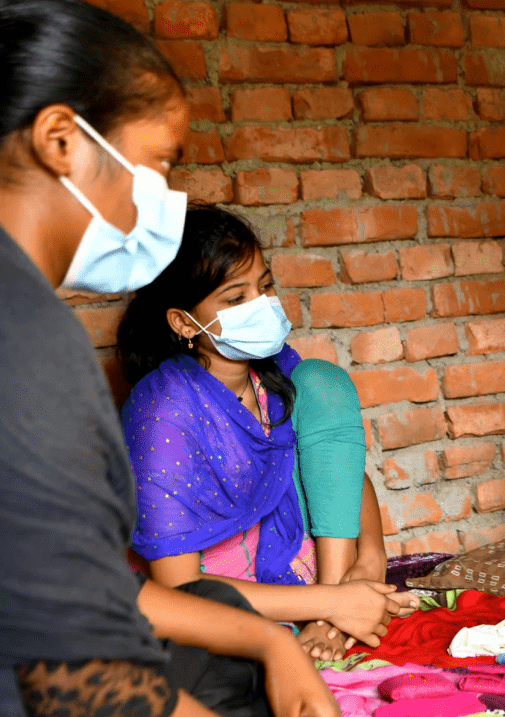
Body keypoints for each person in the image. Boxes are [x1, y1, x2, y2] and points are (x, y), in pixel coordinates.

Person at [0, 1, 369, 716]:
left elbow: (82, 582)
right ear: (60, 140)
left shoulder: (16, 308)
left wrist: (275, 645)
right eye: (158, 163)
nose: (163, 197)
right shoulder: (23, 335)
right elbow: (68, 673)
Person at [117, 205, 417, 663]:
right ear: (183, 323)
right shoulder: (162, 413)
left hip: (307, 575)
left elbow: (340, 473)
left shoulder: (275, 379)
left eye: (265, 286)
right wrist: (338, 604)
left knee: (323, 381)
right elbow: (177, 587)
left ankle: (330, 607)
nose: (260, 305)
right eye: (236, 298)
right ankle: (332, 604)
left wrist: (370, 560)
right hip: (216, 589)